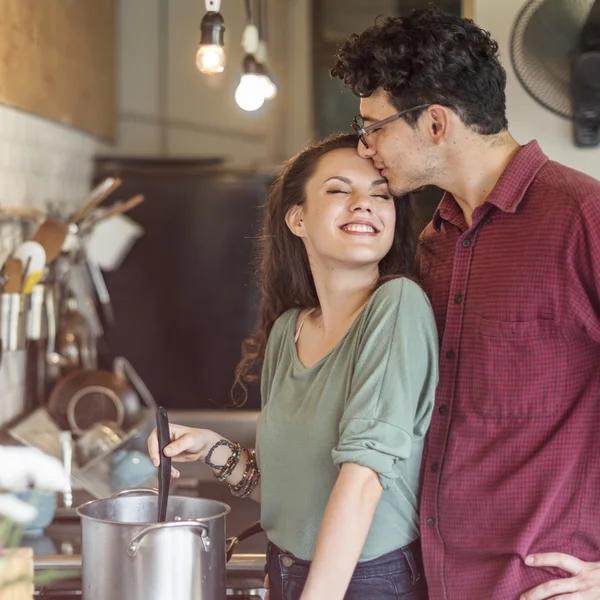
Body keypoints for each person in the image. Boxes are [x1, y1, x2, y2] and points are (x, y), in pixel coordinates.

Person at [330, 6, 600, 600]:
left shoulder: (585, 218)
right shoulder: (434, 242)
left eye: (373, 125)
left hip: (541, 586)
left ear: (433, 124)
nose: (364, 143)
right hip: (437, 580)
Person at [147, 133, 438, 600]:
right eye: (341, 190)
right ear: (297, 218)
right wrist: (210, 448)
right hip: (288, 571)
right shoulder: (289, 331)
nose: (365, 204)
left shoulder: (396, 306)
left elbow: (362, 481)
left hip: (368, 581)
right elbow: (289, 493)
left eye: (381, 195)